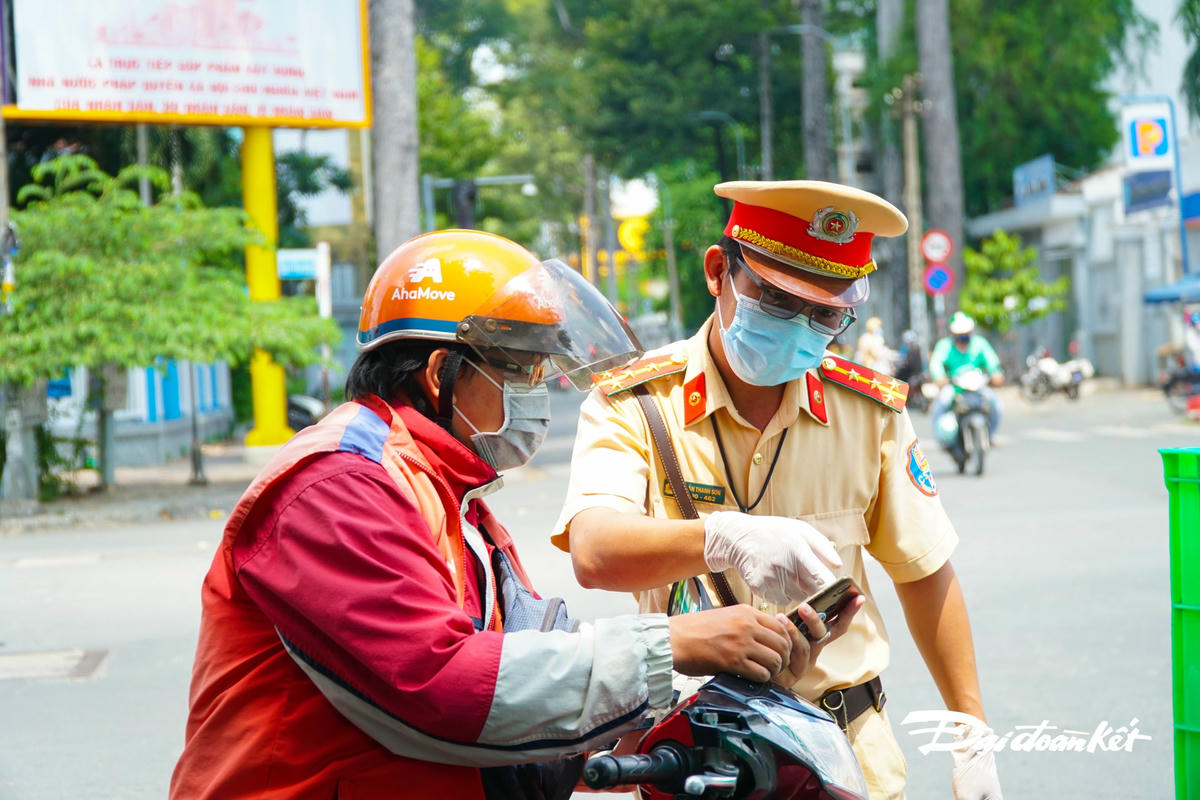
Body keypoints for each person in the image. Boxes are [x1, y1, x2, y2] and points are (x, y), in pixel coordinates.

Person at [169, 229, 852, 800]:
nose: (539, 394)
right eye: (521, 371)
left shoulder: (456, 503)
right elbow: (443, 687)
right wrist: (673, 643)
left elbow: (531, 678)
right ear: (440, 374)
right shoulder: (338, 485)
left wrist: (710, 684)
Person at [552, 181, 1002, 800]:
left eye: (825, 314)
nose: (800, 328)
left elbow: (923, 569)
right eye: (777, 299)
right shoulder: (634, 405)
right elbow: (595, 552)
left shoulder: (869, 414)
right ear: (719, 272)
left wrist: (970, 728)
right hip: (695, 758)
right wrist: (722, 538)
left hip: (844, 757)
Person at [929, 311, 1005, 444]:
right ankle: (941, 440)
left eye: (966, 333)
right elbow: (936, 364)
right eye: (960, 334)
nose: (963, 336)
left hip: (977, 385)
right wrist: (939, 377)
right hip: (955, 387)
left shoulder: (979, 344)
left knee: (996, 404)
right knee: (940, 404)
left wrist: (996, 373)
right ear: (953, 334)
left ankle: (991, 435)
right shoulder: (945, 345)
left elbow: (992, 361)